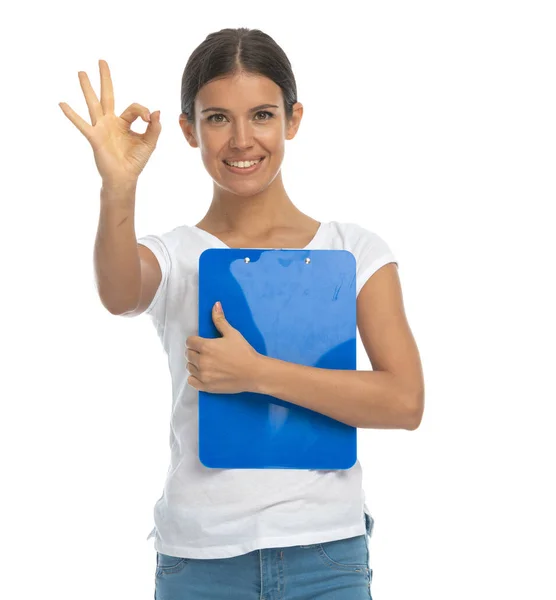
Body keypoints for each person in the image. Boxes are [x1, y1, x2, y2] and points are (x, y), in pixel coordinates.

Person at [59, 27, 424, 600]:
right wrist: (118, 188)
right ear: (188, 129)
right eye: (216, 118)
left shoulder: (352, 250)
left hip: (325, 556)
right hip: (200, 561)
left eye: (260, 115)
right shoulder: (177, 254)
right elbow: (118, 292)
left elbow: (404, 402)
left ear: (292, 120)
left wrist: (256, 373)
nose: (241, 139)